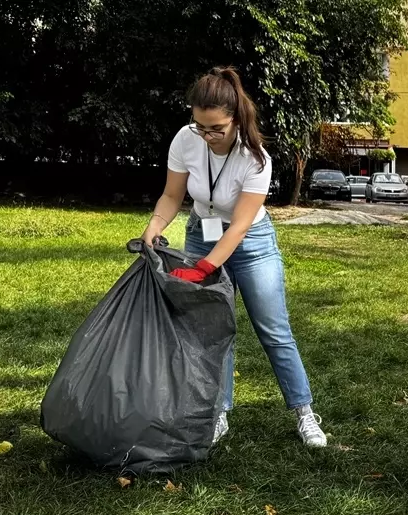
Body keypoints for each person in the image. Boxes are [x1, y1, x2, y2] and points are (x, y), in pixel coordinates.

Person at [140, 66, 327, 448]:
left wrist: (206, 268)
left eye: (216, 129)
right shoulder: (186, 139)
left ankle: (305, 412)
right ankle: (218, 413)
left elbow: (239, 227)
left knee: (273, 330)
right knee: (211, 331)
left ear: (235, 120)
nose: (207, 136)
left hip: (251, 242)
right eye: (200, 127)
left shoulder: (255, 158)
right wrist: (156, 225)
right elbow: (173, 195)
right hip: (201, 234)